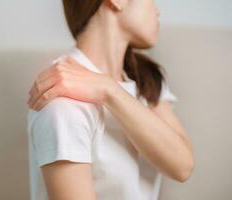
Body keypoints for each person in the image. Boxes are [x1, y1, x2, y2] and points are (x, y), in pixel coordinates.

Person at [27, 0, 194, 199]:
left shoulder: (147, 76)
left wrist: (109, 89)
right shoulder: (62, 99)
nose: (158, 11)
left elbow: (182, 166)